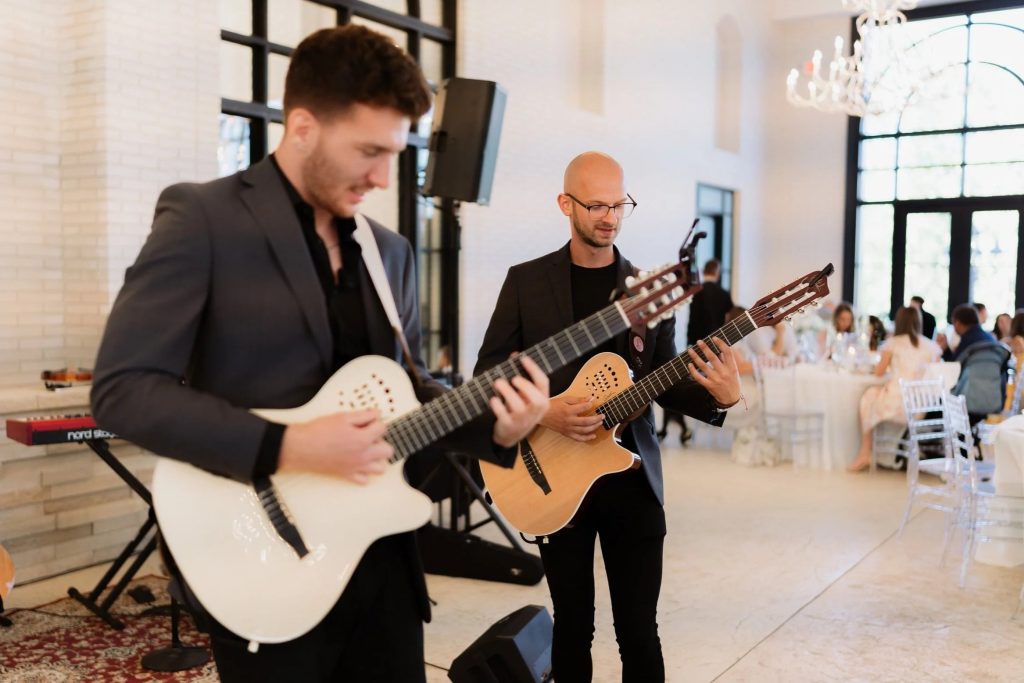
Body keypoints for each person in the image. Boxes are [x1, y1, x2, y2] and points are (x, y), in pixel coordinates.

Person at [90, 26, 550, 682]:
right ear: (302, 126)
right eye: (368, 150)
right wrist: (290, 446)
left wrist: (497, 426)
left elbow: (404, 388)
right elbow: (123, 389)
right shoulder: (204, 220)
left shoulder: (390, 251)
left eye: (395, 152)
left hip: (384, 563)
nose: (384, 176)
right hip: (263, 563)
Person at [474, 151, 741, 682]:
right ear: (565, 204)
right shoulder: (526, 282)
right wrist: (543, 411)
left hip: (631, 480)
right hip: (552, 479)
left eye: (619, 204)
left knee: (639, 631)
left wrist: (724, 397)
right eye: (596, 205)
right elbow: (486, 377)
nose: (609, 217)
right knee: (572, 627)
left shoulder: (649, 290)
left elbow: (666, 381)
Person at [848, 307, 941, 472]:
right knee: (875, 395)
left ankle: (865, 451)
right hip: (920, 407)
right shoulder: (931, 347)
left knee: (868, 397)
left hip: (898, 404)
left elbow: (878, 373)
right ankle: (882, 453)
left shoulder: (893, 343)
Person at [938, 304, 1008, 425]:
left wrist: (945, 350)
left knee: (938, 397)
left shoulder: (968, 342)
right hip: (994, 400)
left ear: (958, 323)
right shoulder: (990, 340)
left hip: (967, 403)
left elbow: (954, 369)